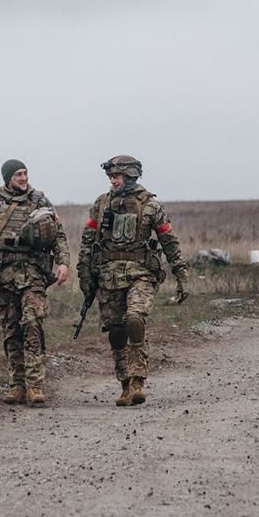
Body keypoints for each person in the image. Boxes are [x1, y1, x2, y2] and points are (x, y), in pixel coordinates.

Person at [77, 155, 188, 406]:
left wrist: (182, 275)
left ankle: (139, 378)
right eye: (110, 177)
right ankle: (125, 383)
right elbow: (87, 241)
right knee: (116, 332)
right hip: (108, 276)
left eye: (117, 176)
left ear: (130, 176)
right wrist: (84, 273)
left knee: (134, 319)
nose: (113, 181)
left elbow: (169, 242)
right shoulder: (101, 204)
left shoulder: (150, 205)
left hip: (141, 273)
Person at [0, 160, 71, 407]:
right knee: (11, 331)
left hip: (33, 274)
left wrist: (63, 263)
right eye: (18, 174)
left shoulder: (40, 201)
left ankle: (35, 386)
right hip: (3, 276)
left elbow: (58, 235)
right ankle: (16, 385)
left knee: (33, 324)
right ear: (8, 178)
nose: (23, 178)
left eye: (25, 173)